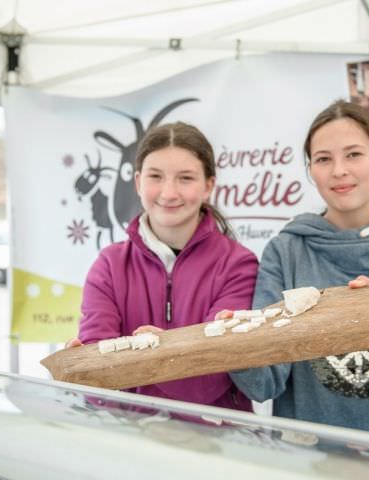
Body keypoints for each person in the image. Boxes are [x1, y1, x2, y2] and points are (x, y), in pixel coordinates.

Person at [230, 99, 369, 441]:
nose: (339, 170)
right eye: (323, 159)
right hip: (306, 465)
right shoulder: (285, 251)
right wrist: (238, 344)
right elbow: (264, 384)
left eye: (353, 154)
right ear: (310, 169)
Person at [69, 121, 258, 411]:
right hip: (131, 440)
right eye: (155, 176)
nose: (169, 193)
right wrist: (87, 370)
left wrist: (148, 357)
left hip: (216, 442)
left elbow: (212, 375)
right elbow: (98, 379)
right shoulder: (109, 265)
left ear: (208, 185)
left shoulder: (238, 265)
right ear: (138, 182)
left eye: (185, 178)